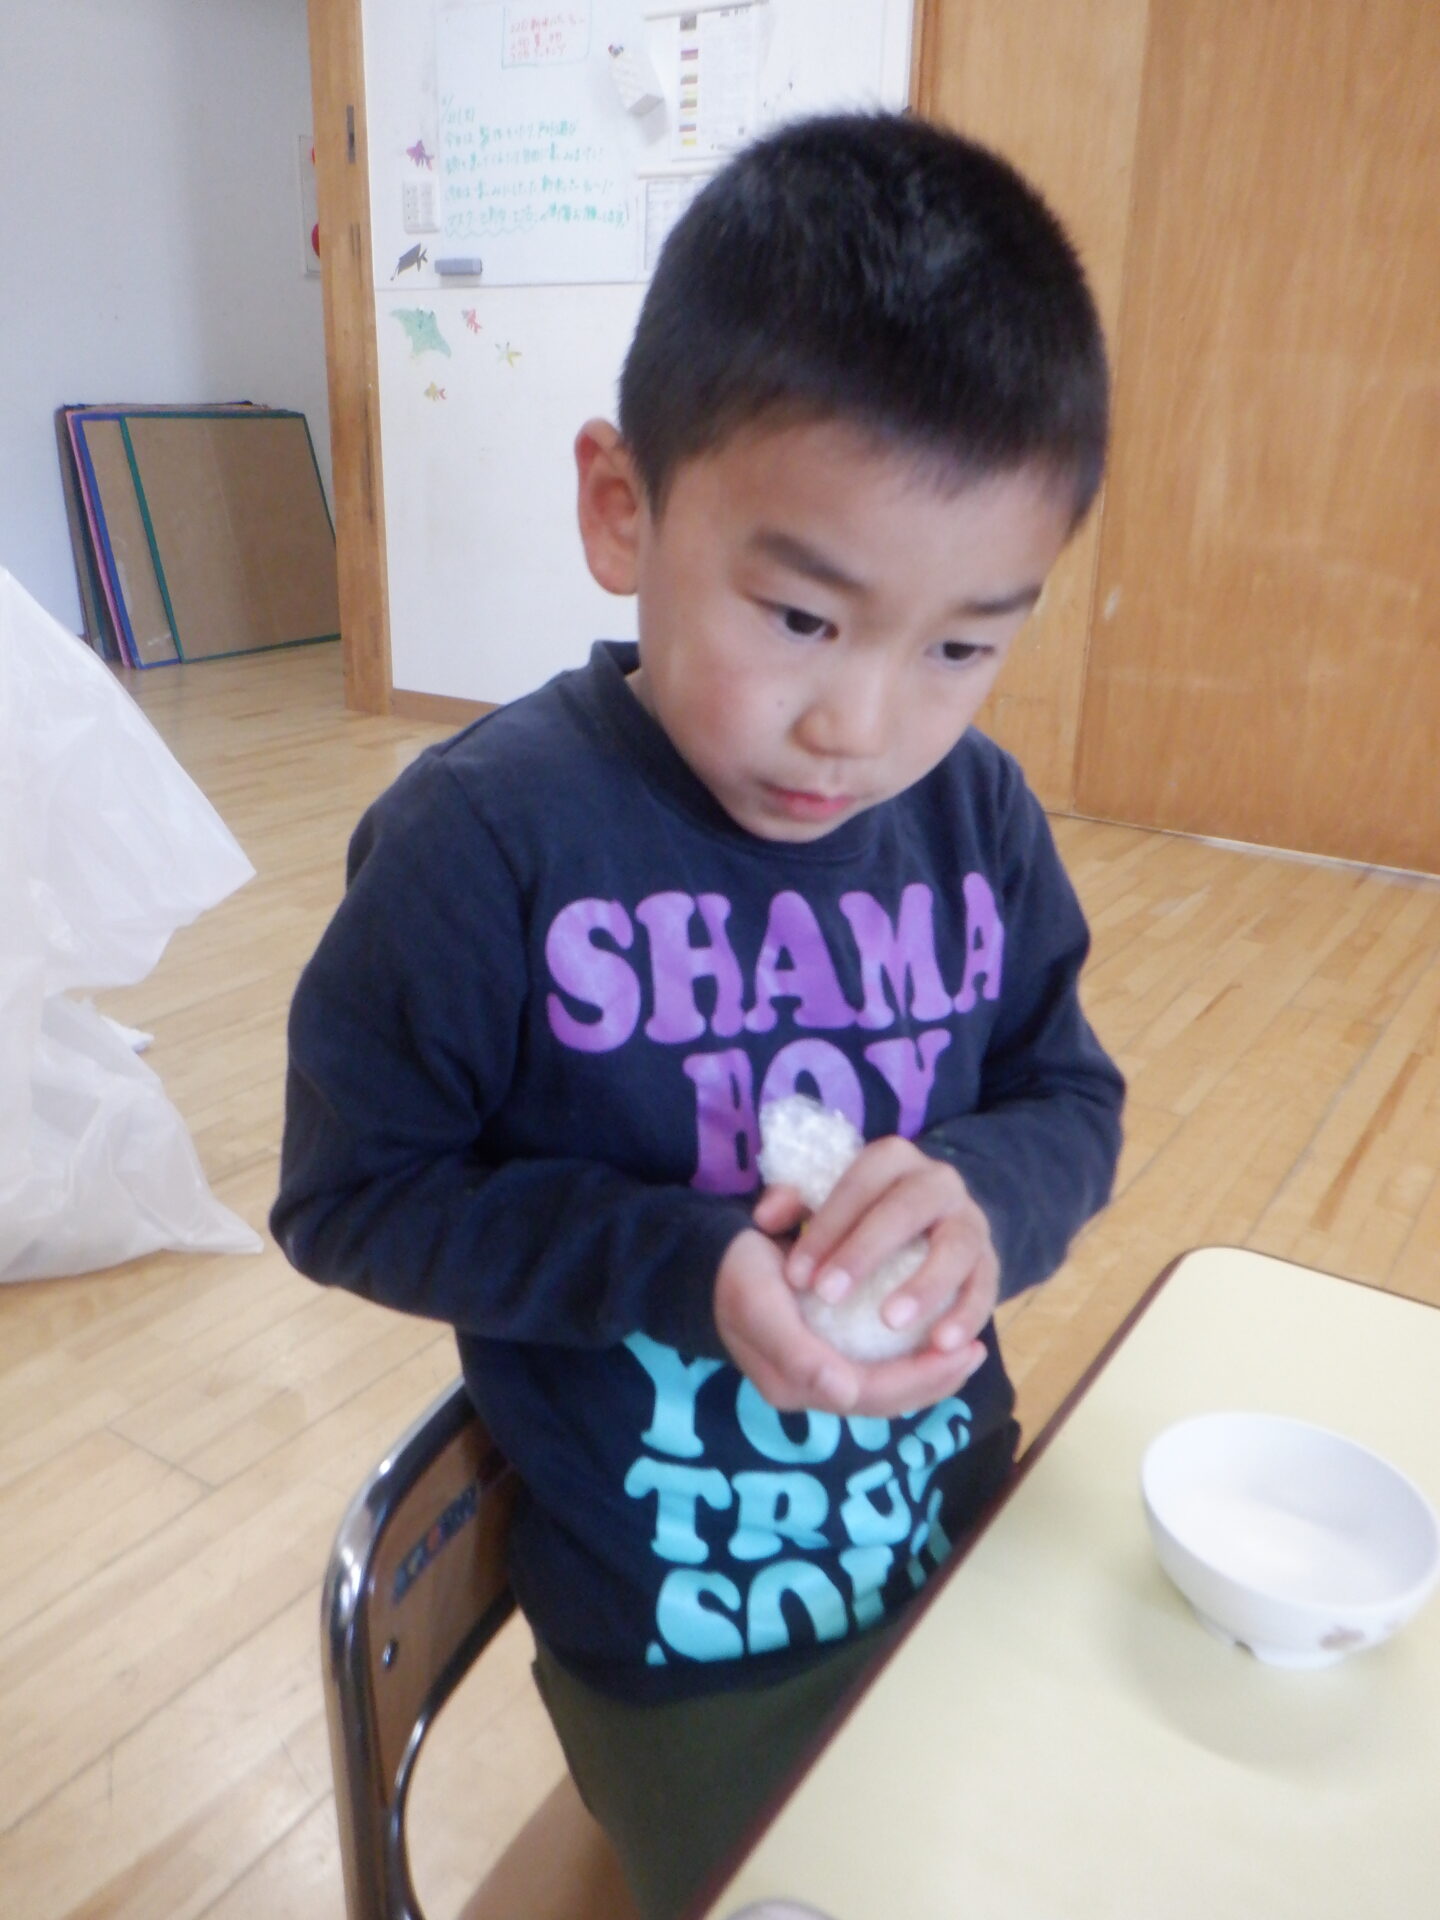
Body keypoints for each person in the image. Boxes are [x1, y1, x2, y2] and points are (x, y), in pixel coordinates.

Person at [273, 111, 1125, 1920]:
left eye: (962, 646)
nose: (865, 727)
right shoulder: (487, 844)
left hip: (963, 1533)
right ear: (624, 508)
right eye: (803, 616)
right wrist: (680, 1264)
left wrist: (985, 1197)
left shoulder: (974, 820)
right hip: (684, 1647)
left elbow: (1067, 1093)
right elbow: (350, 1199)